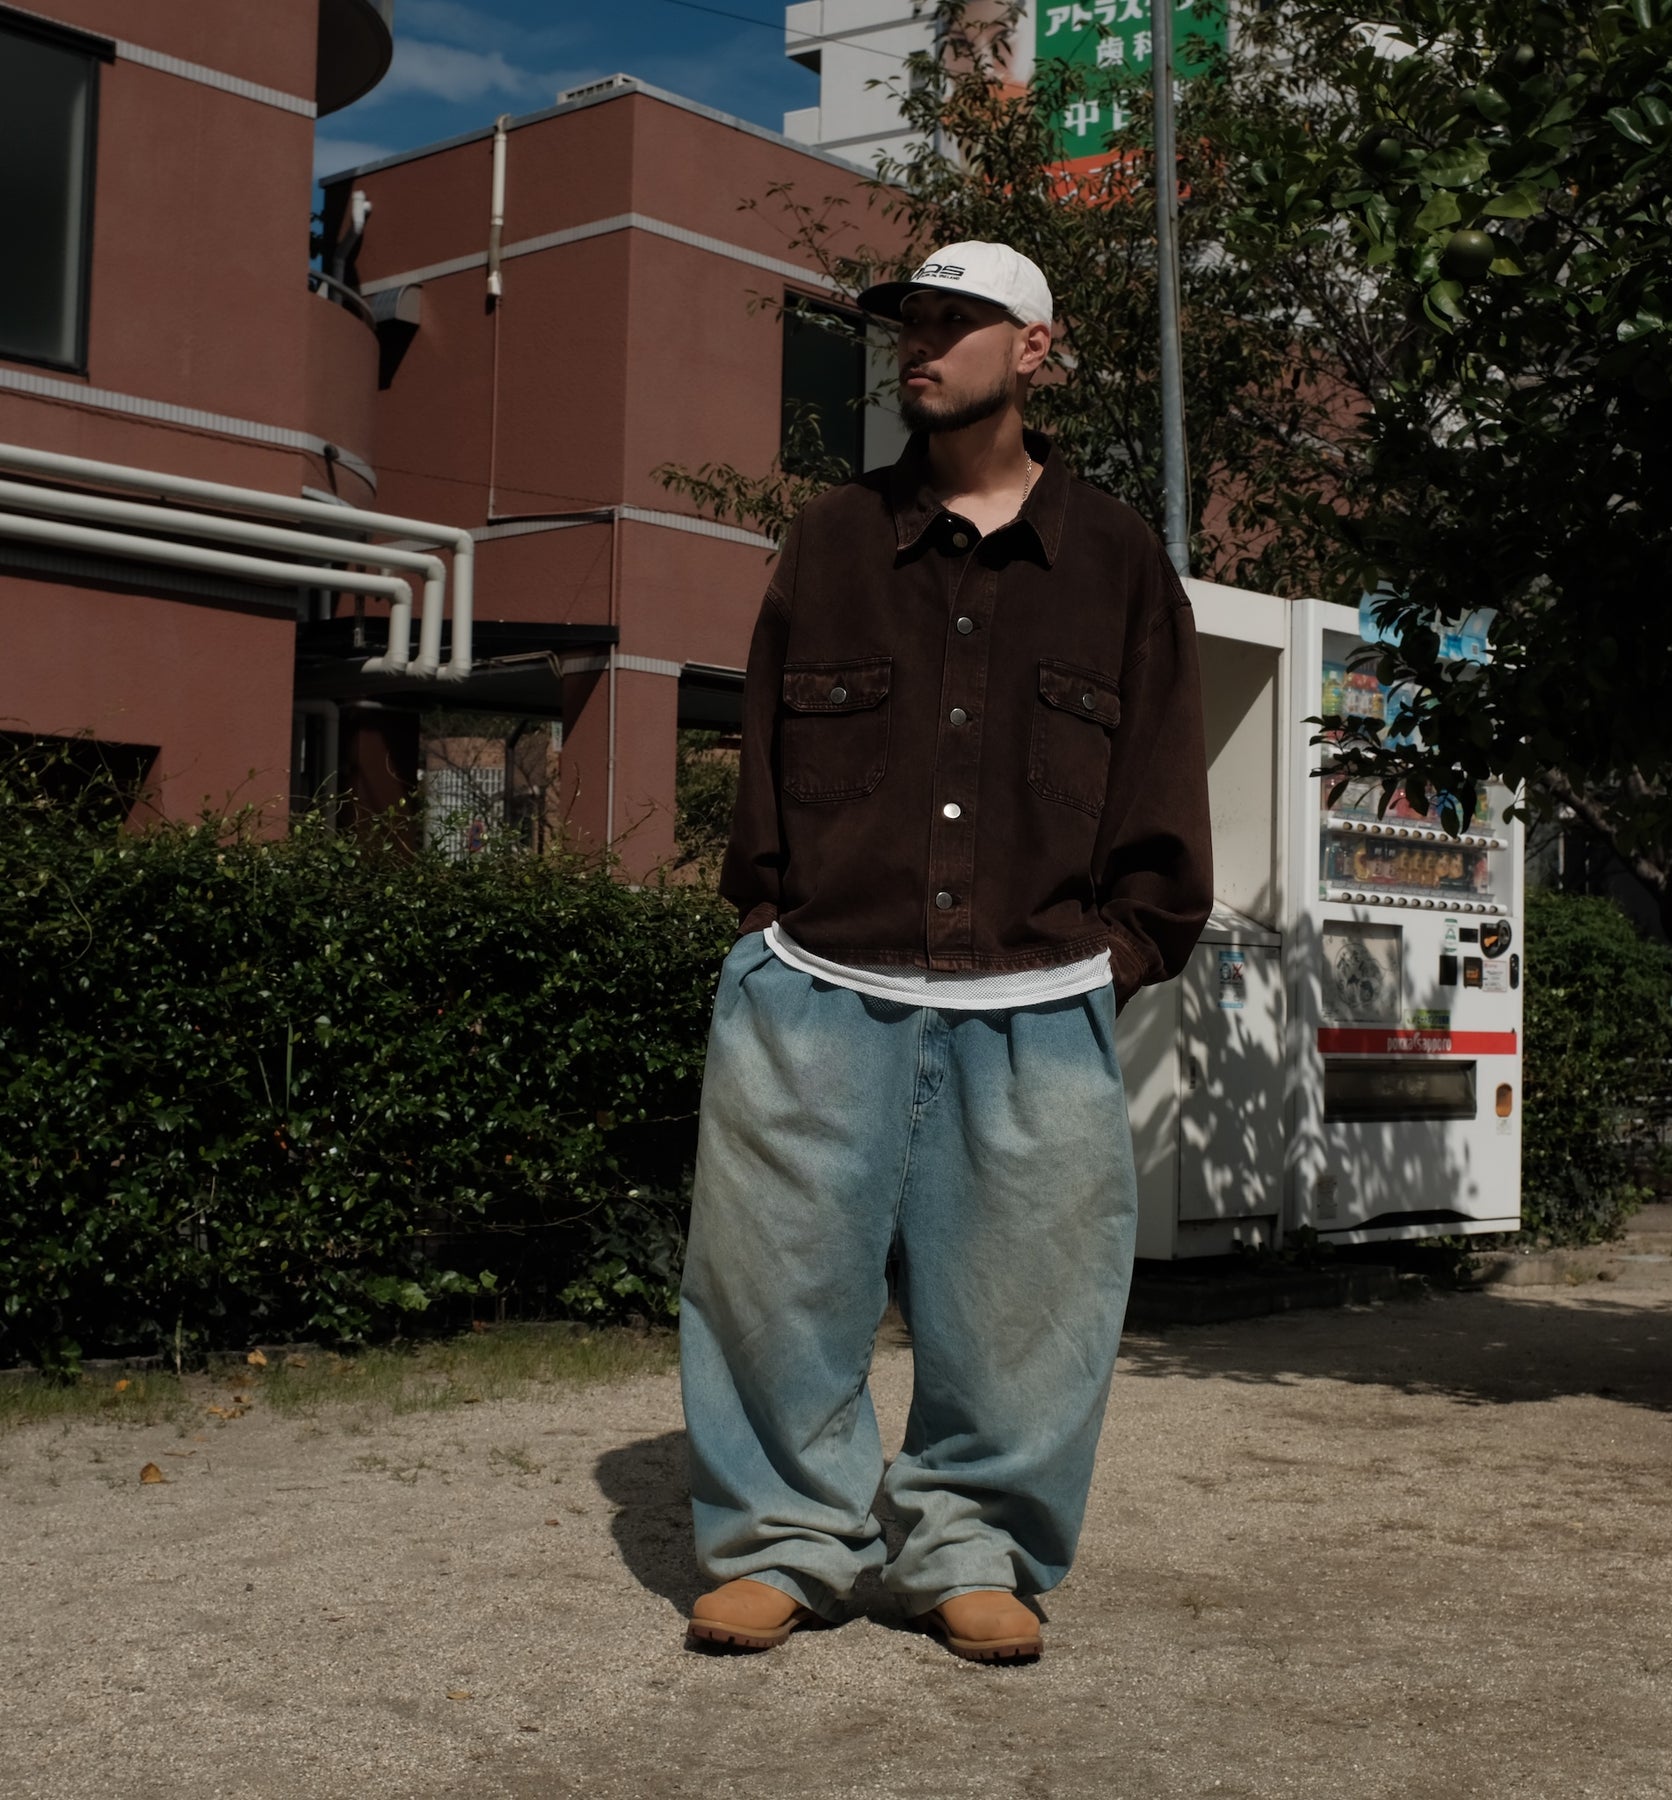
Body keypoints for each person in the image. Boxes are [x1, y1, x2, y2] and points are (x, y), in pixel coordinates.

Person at [679, 241, 1212, 1662]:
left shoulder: (1112, 556)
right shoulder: (834, 538)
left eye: (955, 322)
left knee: (1027, 1316)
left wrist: (1115, 958)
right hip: (818, 993)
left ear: (1035, 350)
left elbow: (1160, 776)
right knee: (771, 1293)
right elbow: (769, 764)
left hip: (1037, 1003)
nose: (918, 344)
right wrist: (768, 933)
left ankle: (974, 1542)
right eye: (907, 322)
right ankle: (786, 1540)